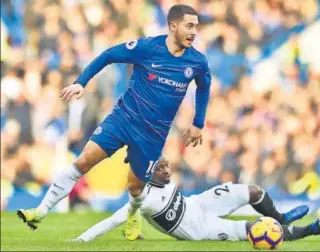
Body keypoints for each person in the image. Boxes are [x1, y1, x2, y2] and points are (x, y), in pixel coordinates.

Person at [17, 4, 211, 241]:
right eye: (189, 26)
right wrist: (81, 82)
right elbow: (109, 55)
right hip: (123, 119)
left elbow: (204, 86)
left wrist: (198, 123)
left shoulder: (197, 62)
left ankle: (133, 212)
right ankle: (40, 212)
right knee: (84, 160)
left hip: (153, 135)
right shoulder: (147, 47)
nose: (194, 32)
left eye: (196, 27)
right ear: (173, 26)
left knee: (135, 187)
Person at [72, 157, 320, 242]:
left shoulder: (157, 173)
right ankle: (311, 229)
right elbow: (112, 220)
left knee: (252, 191)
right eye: (162, 168)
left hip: (198, 203)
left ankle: (281, 216)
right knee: (255, 231)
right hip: (198, 229)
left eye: (166, 165)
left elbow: (147, 146)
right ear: (151, 174)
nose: (167, 169)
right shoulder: (145, 199)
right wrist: (81, 240)